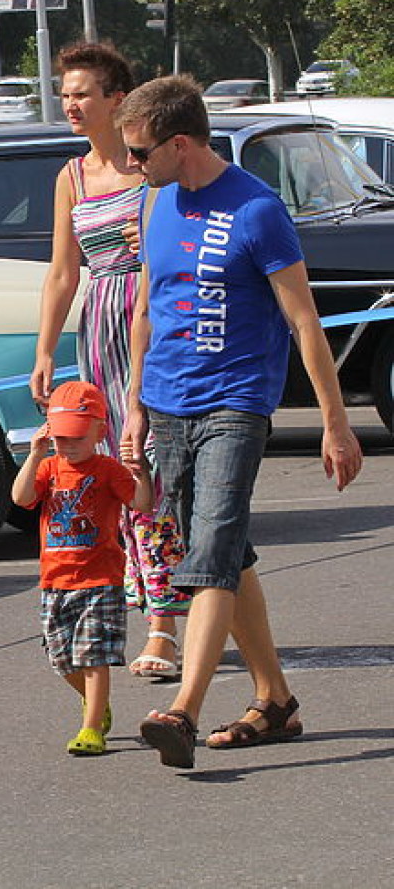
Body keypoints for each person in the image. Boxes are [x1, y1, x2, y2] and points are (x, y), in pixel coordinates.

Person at [117, 74, 364, 769]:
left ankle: (183, 710)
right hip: (169, 404)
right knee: (226, 550)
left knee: (212, 549)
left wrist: (335, 423)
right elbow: (147, 310)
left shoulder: (256, 210)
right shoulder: (155, 201)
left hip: (236, 403)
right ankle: (274, 698)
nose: (133, 165)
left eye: (140, 152)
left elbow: (303, 318)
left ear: (182, 143)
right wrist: (135, 406)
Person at [30, 41, 188, 683]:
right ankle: (125, 610)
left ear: (116, 100)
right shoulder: (70, 177)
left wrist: (151, 237)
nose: (70, 103)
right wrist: (45, 349)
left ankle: (164, 623)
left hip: (150, 321)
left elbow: (178, 245)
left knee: (143, 464)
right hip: (97, 325)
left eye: (82, 93)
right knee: (101, 473)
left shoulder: (148, 169)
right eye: (65, 93)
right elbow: (64, 272)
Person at [12, 380, 155, 757]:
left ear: (98, 431)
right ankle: (97, 703)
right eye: (61, 437)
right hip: (55, 581)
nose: (68, 445)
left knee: (93, 655)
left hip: (100, 579)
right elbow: (21, 497)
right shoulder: (48, 467)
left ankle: (92, 727)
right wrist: (35, 454)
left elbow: (141, 503)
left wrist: (138, 470)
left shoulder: (107, 469)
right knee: (60, 658)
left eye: (76, 437)